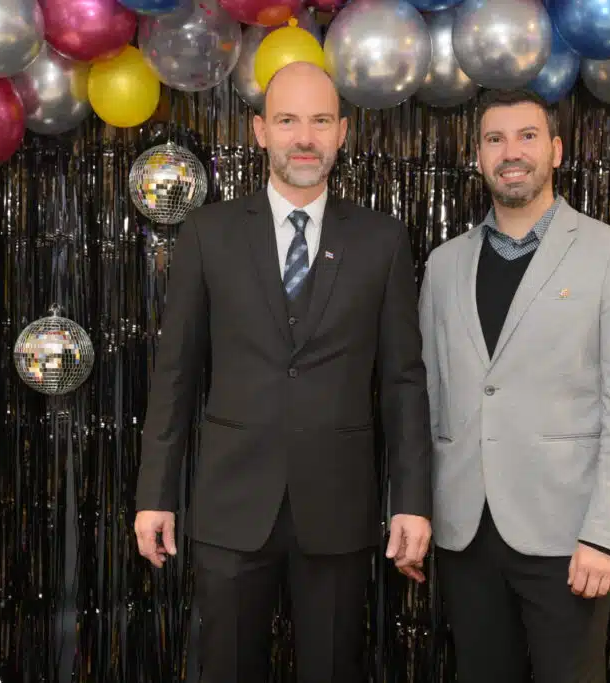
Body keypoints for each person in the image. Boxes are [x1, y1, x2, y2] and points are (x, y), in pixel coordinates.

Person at [133, 60, 433, 683]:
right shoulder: (208, 233)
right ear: (260, 130)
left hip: (339, 507)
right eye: (289, 120)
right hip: (232, 506)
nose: (305, 137)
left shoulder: (382, 240)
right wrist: (155, 495)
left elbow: (404, 382)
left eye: (320, 121)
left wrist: (410, 501)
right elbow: (175, 376)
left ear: (342, 133)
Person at [419, 88, 610, 683]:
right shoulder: (444, 265)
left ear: (555, 150)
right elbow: (431, 398)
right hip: (465, 533)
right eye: (495, 139)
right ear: (477, 156)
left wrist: (607, 533)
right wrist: (421, 513)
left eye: (527, 136)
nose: (511, 152)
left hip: (569, 537)